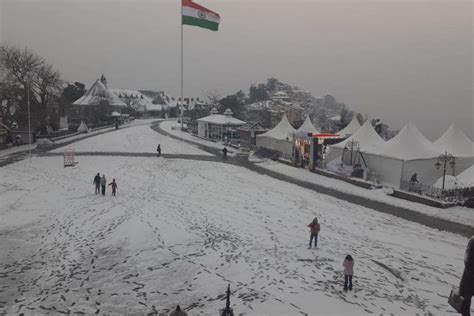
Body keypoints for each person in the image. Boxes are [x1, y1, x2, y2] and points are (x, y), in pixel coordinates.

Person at [460, 236, 474, 316]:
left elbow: (467, 259)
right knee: (465, 306)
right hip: (469, 279)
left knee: (465, 307)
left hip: (469, 279)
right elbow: (467, 260)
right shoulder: (473, 241)